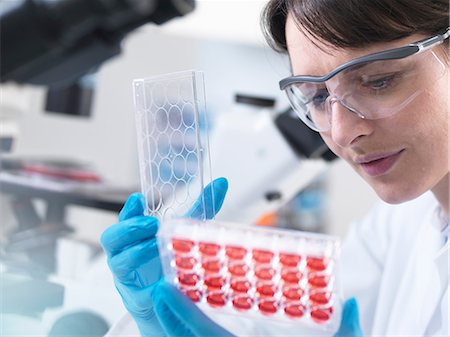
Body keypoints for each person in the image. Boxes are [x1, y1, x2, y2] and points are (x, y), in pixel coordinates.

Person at [100, 0, 449, 336]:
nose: (341, 132)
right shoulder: (397, 229)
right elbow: (287, 327)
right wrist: (169, 307)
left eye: (378, 81)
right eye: (317, 97)